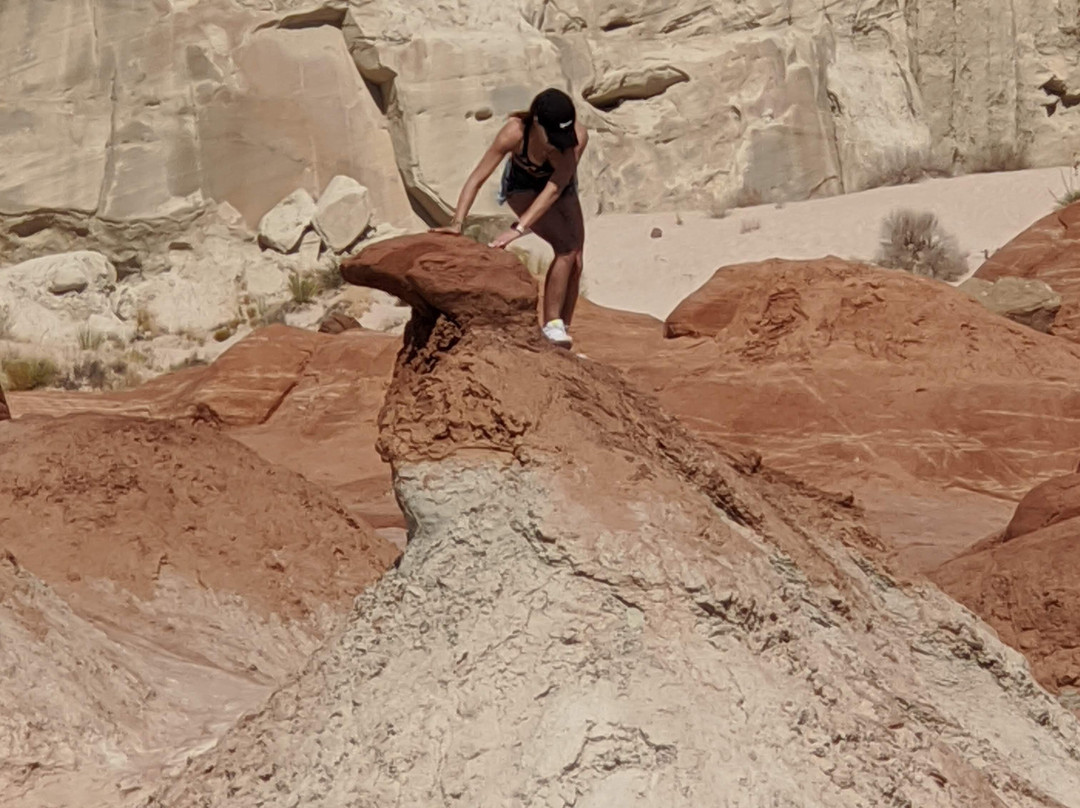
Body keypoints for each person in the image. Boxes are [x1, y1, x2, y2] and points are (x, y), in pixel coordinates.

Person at [432, 88, 588, 348]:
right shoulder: (514, 132)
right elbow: (477, 178)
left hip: (559, 187)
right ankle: (551, 325)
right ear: (536, 123)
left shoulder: (577, 138)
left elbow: (556, 187)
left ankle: (561, 331)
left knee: (576, 260)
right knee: (566, 248)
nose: (560, 142)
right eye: (554, 135)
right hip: (521, 188)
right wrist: (457, 223)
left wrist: (519, 228)